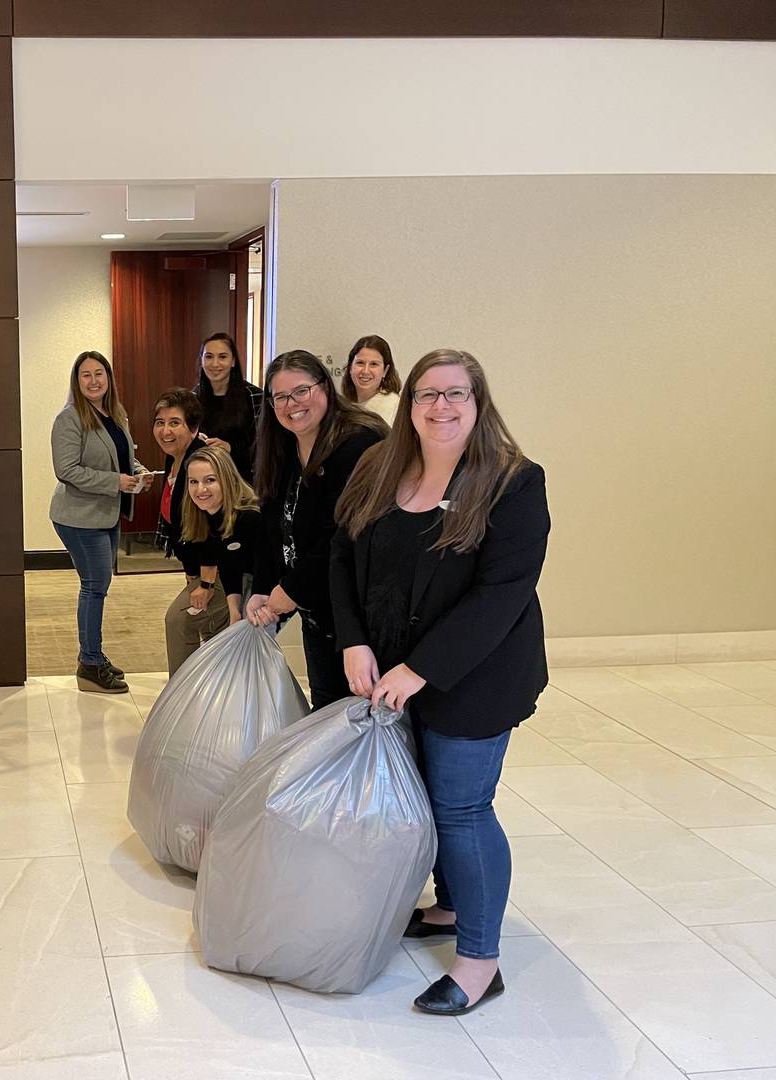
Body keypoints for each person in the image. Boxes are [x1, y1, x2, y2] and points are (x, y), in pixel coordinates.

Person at [330, 348, 550, 1017]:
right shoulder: (380, 466)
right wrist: (353, 639)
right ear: (409, 403)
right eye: (428, 394)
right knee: (424, 801)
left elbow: (501, 595)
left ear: (479, 403)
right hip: (389, 670)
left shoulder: (513, 481)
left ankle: (482, 962)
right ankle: (452, 906)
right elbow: (341, 555)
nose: (441, 407)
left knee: (460, 808)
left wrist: (422, 668)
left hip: (472, 676)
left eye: (456, 394)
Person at [246, 350, 386, 709]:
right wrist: (262, 588)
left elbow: (341, 535)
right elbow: (271, 528)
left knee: (360, 722)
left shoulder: (360, 445)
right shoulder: (283, 449)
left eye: (302, 391)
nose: (292, 404)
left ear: (325, 386)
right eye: (280, 397)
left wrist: (290, 590)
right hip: (318, 617)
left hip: (360, 621)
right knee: (327, 714)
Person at [50, 350, 148, 694]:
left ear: (109, 378)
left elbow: (124, 457)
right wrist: (116, 482)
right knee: (95, 586)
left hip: (107, 512)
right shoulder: (70, 418)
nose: (93, 380)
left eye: (99, 374)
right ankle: (89, 664)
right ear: (77, 382)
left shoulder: (114, 413)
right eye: (85, 375)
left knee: (98, 586)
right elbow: (67, 471)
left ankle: (92, 655)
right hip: (78, 517)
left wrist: (137, 473)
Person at [164, 444, 261, 675]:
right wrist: (233, 608)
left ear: (226, 479)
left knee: (251, 651)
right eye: (193, 482)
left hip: (266, 586)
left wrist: (249, 608)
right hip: (237, 583)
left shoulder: (248, 518)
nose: (200, 489)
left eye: (209, 480)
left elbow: (266, 566)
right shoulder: (204, 514)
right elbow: (227, 565)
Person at [192, 332, 263, 481]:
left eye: (222, 357)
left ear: (233, 361)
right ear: (202, 360)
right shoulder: (192, 399)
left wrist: (230, 449)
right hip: (203, 483)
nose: (215, 364)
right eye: (209, 356)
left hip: (245, 483)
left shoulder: (255, 397)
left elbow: (265, 448)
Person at [150, 387, 209, 563]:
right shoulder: (174, 457)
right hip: (193, 562)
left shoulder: (201, 463)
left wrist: (205, 581)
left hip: (217, 567)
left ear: (194, 428)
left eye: (174, 423)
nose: (165, 431)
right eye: (160, 422)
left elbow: (212, 530)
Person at [340, 334, 401, 424]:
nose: (365, 371)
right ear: (350, 367)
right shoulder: (342, 407)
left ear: (385, 370)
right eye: (360, 363)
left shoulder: (394, 406)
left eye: (374, 364)